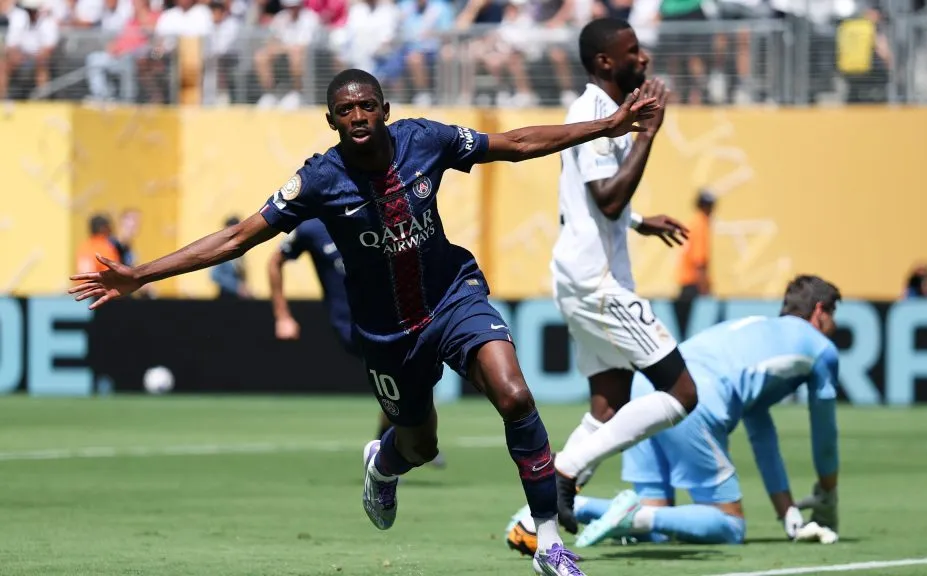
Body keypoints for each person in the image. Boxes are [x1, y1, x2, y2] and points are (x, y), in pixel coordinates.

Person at [69, 67, 660, 576]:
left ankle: (550, 542)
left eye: (366, 106)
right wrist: (142, 273)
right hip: (387, 334)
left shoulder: (425, 140)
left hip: (453, 295)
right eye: (345, 109)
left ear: (384, 110)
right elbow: (238, 237)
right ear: (332, 120)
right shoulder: (319, 180)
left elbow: (515, 142)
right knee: (419, 445)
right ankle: (383, 465)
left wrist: (606, 127)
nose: (357, 115)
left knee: (513, 395)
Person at [507, 275, 842, 554]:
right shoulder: (821, 348)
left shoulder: (756, 328)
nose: (833, 326)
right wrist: (828, 494)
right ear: (819, 312)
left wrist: (788, 514)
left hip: (646, 391)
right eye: (833, 315)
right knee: (730, 525)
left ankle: (544, 512)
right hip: (692, 397)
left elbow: (761, 434)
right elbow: (825, 435)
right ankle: (634, 517)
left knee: (661, 523)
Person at [548, 17, 699, 535]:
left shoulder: (606, 113)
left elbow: (589, 197)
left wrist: (641, 220)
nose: (645, 59)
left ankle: (536, 516)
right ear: (606, 62)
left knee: (608, 409)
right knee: (681, 393)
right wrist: (650, 133)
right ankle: (563, 471)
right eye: (633, 51)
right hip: (596, 281)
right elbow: (607, 199)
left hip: (583, 274)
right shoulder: (591, 112)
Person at [267, 218, 446, 468]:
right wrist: (282, 316)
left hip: (390, 318)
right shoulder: (311, 228)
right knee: (404, 378)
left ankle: (399, 445)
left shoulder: (369, 214)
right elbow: (275, 261)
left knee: (411, 378)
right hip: (352, 326)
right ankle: (403, 444)